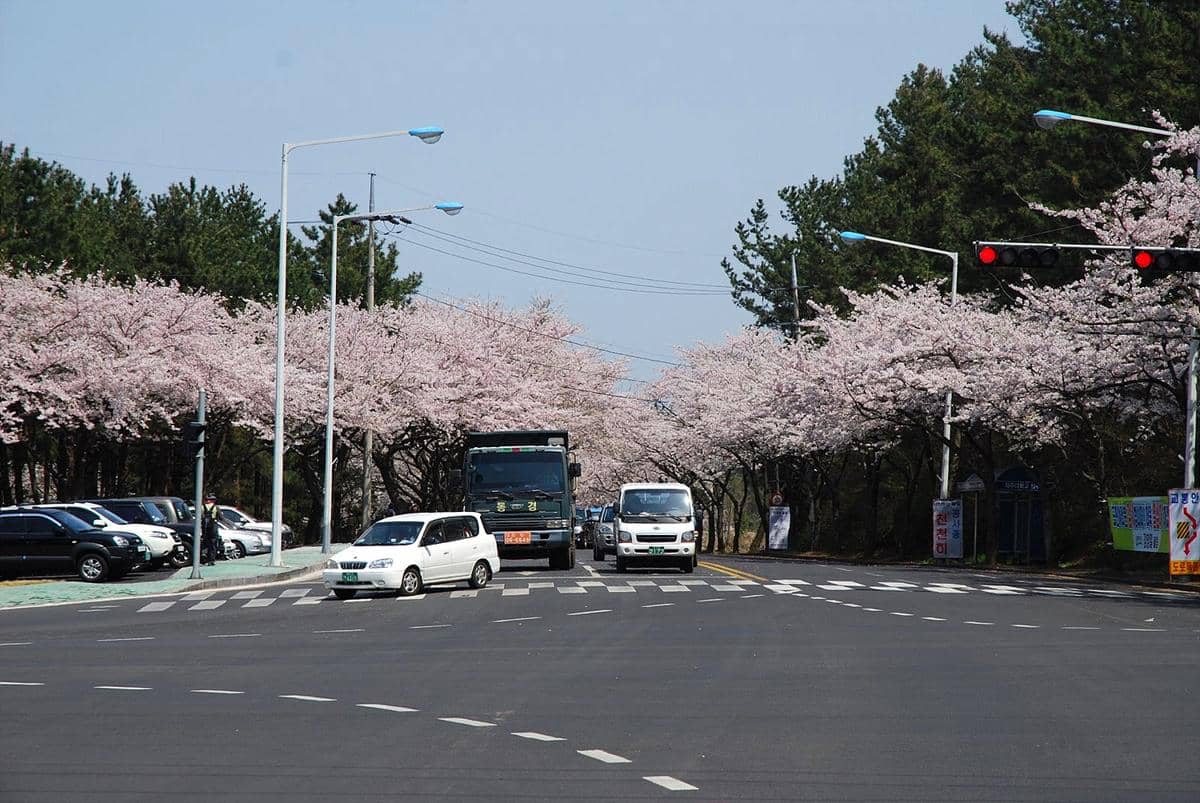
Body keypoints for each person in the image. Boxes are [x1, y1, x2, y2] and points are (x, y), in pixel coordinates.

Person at [200, 493, 220, 565]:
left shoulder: (202, 507)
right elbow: (220, 517)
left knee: (205, 542)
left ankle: (204, 559)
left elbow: (200, 517)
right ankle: (211, 560)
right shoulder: (216, 507)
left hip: (205, 528)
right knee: (213, 543)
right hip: (213, 527)